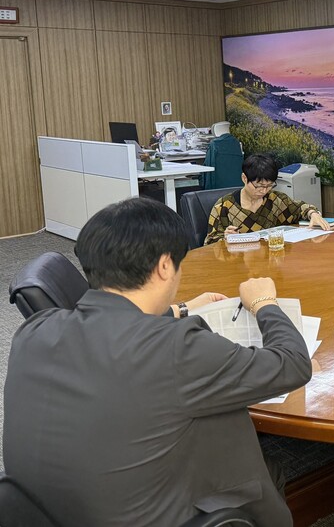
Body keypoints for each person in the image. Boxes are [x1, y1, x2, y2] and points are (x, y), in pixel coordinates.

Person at [3, 197, 312, 526]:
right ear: (165, 266)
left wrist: (181, 308)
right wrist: (264, 302)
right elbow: (293, 363)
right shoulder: (179, 348)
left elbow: (113, 330)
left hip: (49, 511)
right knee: (233, 429)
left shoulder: (33, 330)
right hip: (149, 517)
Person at [205, 153, 330, 244]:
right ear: (244, 178)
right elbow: (209, 243)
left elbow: (299, 208)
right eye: (259, 186)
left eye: (269, 186)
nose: (264, 191)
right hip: (240, 265)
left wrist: (313, 214)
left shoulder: (275, 200)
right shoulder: (224, 206)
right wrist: (225, 238)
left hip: (272, 261)